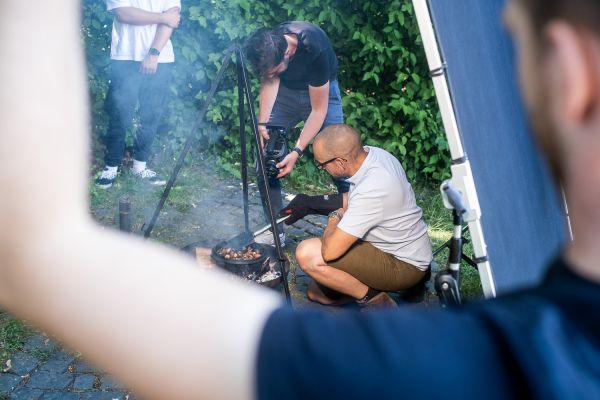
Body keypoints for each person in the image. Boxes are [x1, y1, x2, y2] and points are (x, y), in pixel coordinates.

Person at [1, 0, 600, 399]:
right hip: (353, 178)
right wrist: (267, 135)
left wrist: (305, 171)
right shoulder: (547, 345)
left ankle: (369, 287)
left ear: (572, 72)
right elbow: (271, 98)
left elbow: (34, 252)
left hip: (333, 134)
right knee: (310, 187)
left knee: (317, 241)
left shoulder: (463, 365)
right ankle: (331, 222)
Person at [280, 124, 432, 308]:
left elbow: (330, 252)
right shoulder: (375, 156)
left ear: (340, 161)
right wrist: (311, 203)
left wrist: (334, 217)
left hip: (404, 265)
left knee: (308, 254)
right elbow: (355, 198)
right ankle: (361, 286)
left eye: (322, 165)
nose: (322, 168)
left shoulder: (374, 187)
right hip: (406, 248)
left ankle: (375, 300)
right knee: (315, 293)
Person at [245, 21, 346, 245]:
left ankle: (355, 220)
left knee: (340, 157)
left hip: (322, 96)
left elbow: (318, 111)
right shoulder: (270, 43)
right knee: (266, 158)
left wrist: (297, 151)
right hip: (286, 95)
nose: (271, 73)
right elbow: (270, 81)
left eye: (275, 69)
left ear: (288, 53)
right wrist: (263, 123)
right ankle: (276, 230)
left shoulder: (314, 49)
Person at [95, 0, 181, 189]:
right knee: (119, 113)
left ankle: (140, 166)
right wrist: (162, 16)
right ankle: (110, 167)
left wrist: (153, 53)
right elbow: (123, 13)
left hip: (160, 58)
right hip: (125, 57)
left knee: (151, 114)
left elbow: (172, 19)